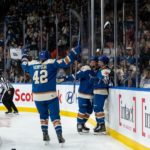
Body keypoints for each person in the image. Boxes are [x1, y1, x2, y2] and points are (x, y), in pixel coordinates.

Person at [21, 45, 80, 144]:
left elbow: (23, 64)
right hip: (50, 95)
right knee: (55, 116)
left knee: (43, 116)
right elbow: (66, 62)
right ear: (48, 57)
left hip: (37, 96)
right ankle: (59, 135)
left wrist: (24, 54)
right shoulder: (52, 63)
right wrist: (74, 53)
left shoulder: (31, 64)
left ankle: (45, 134)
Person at [58, 56, 98, 134]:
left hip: (91, 95)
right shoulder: (86, 69)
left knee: (89, 110)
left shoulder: (95, 71)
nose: (92, 63)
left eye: (94, 61)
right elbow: (76, 76)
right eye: (91, 61)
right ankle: (79, 124)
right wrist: (65, 78)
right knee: (82, 109)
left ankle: (83, 123)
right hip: (83, 94)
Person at [91, 55, 111, 134]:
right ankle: (99, 123)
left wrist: (98, 80)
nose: (98, 62)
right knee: (96, 108)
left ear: (104, 62)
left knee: (98, 108)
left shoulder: (106, 70)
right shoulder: (100, 69)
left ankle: (102, 126)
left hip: (101, 91)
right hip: (97, 91)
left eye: (100, 61)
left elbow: (105, 81)